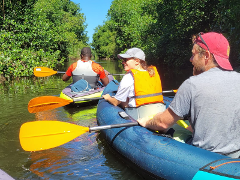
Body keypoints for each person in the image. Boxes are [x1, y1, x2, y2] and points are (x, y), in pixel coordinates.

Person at [138, 32, 240, 158]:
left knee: (168, 127)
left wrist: (146, 122)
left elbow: (163, 123)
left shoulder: (192, 84)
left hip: (205, 159)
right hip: (235, 155)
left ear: (206, 56)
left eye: (193, 54)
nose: (190, 59)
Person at [102, 47, 165, 119]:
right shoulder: (152, 73)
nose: (123, 62)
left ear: (137, 61)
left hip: (140, 114)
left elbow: (115, 102)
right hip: (159, 111)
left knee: (122, 100)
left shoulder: (129, 76)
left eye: (125, 60)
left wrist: (108, 98)